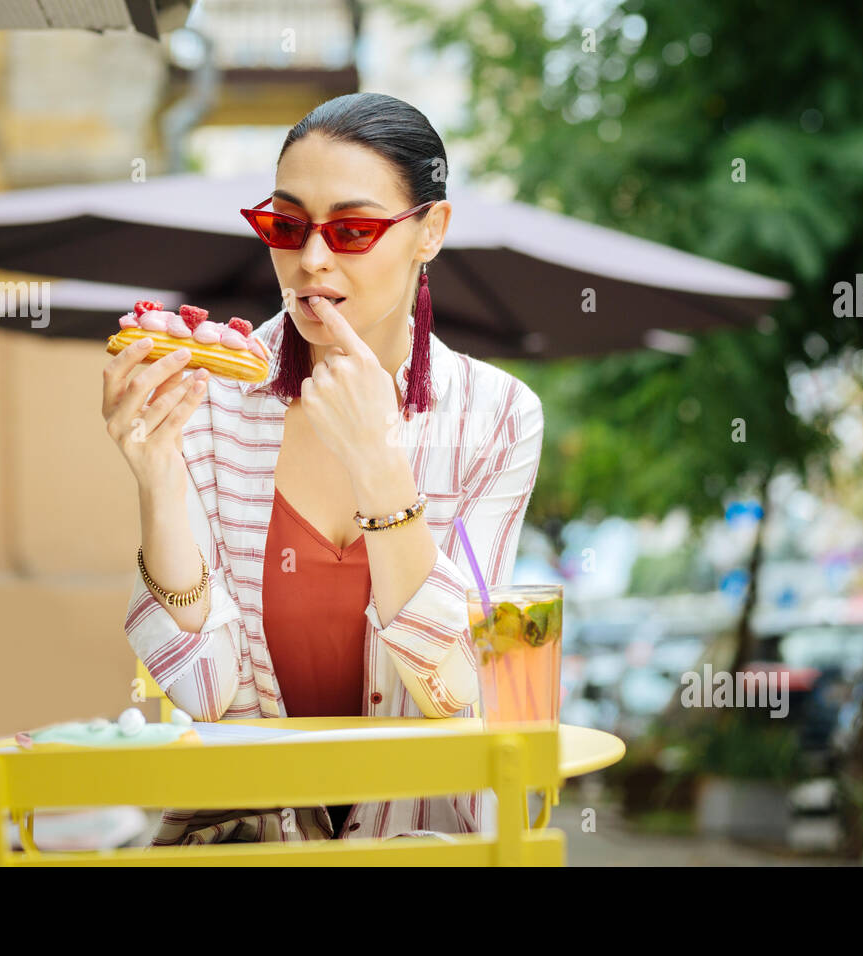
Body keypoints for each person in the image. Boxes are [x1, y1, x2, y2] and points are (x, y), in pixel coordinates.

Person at [101, 92, 545, 845]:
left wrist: (378, 467)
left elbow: (460, 689)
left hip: (427, 844)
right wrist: (158, 480)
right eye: (286, 224)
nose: (310, 260)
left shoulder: (497, 418)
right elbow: (205, 695)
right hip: (247, 841)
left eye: (352, 229)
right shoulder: (214, 400)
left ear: (429, 231)